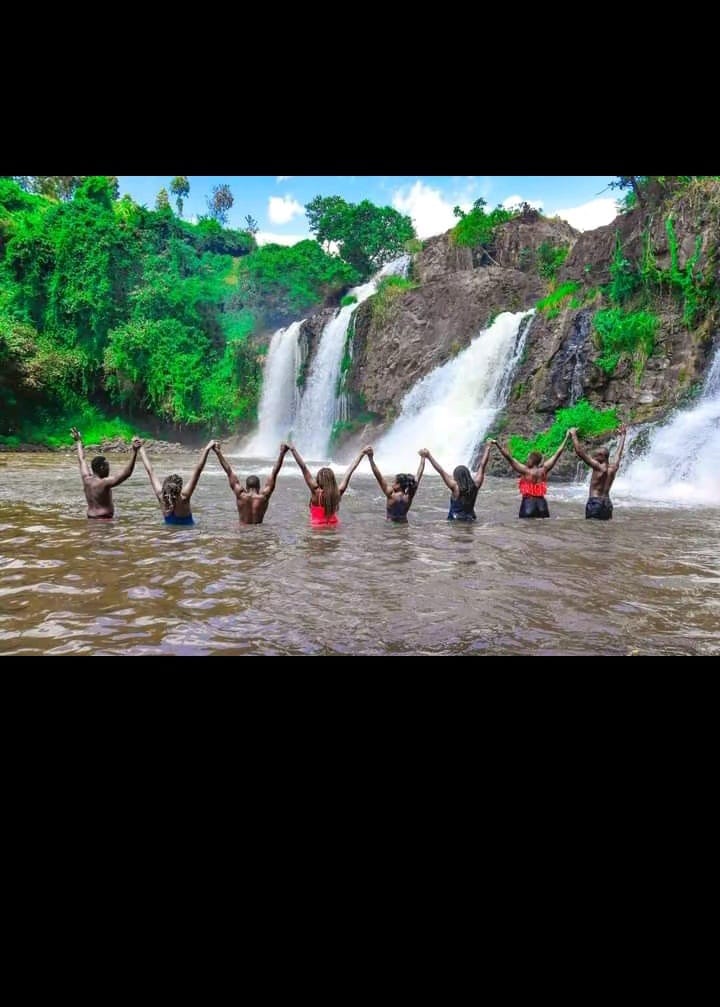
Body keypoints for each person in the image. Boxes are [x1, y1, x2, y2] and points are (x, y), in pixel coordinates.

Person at [490, 431, 570, 518]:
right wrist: (566, 437)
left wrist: (497, 444)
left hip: (529, 503)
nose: (527, 461)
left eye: (528, 459)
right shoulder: (544, 470)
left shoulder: (525, 470)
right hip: (542, 505)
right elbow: (557, 454)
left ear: (532, 460)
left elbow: (509, 458)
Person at [138, 439, 217, 525]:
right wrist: (207, 449)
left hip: (168, 535)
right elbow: (198, 470)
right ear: (180, 489)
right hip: (188, 534)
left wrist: (141, 448)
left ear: (164, 487)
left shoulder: (161, 496)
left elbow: (150, 471)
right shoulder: (184, 497)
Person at [70, 426, 140, 519]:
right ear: (102, 467)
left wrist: (78, 441)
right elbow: (127, 473)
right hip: (104, 522)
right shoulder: (104, 483)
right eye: (107, 466)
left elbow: (81, 459)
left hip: (90, 520)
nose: (109, 469)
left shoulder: (86, 480)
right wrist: (135, 452)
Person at [289, 444, 367, 526]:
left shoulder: (316, 493)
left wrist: (293, 449)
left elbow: (303, 467)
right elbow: (350, 470)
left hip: (317, 529)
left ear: (319, 480)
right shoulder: (337, 493)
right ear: (332, 480)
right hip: (334, 526)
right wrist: (361, 454)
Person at [213, 441, 289, 525]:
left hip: (242, 532)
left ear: (246, 487)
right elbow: (274, 472)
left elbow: (229, 471)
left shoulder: (241, 495)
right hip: (259, 533)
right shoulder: (264, 497)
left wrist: (218, 452)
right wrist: (282, 453)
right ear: (259, 487)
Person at [418, 444, 492, 521]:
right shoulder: (476, 485)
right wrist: (488, 448)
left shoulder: (455, 487)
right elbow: (482, 466)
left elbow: (441, 471)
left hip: (455, 520)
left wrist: (429, 456)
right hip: (471, 519)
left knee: (456, 533)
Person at [569, 424, 627, 520]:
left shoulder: (598, 467)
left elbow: (579, 452)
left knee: (591, 530)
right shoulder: (613, 468)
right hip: (607, 503)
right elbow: (618, 454)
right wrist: (623, 436)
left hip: (595, 502)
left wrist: (573, 434)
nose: (593, 457)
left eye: (595, 456)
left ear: (601, 456)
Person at [365, 445, 425, 523]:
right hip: (403, 526)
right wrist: (423, 458)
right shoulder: (409, 496)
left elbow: (378, 476)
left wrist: (370, 458)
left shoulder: (391, 494)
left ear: (399, 485)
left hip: (391, 526)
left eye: (394, 482)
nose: (392, 484)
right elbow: (418, 476)